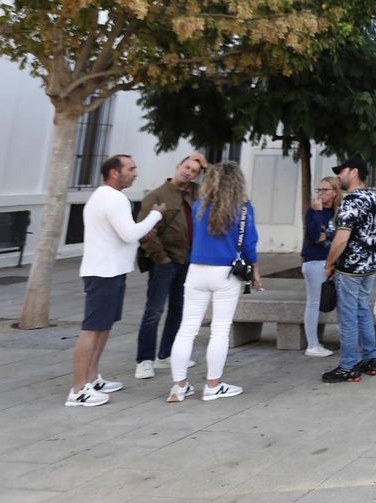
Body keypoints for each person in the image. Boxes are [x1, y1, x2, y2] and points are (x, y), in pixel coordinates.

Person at [67, 155, 162, 407]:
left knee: (103, 327)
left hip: (111, 271)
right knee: (91, 329)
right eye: (131, 169)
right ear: (114, 173)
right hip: (103, 273)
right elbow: (130, 233)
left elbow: (124, 234)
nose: (135, 173)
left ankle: (91, 378)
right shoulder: (114, 198)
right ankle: (78, 390)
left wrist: (142, 228)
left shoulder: (104, 197)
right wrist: (155, 215)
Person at [166, 161, 260, 402]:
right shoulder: (244, 209)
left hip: (196, 270)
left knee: (187, 329)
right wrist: (255, 271)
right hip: (226, 273)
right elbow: (249, 245)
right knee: (220, 330)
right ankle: (212, 385)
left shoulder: (199, 206)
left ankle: (179, 386)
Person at [133, 152, 206, 380]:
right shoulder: (157, 196)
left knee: (178, 309)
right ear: (177, 166)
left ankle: (166, 354)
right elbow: (144, 231)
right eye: (186, 167)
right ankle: (144, 360)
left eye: (194, 171)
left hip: (187, 260)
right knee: (154, 310)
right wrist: (161, 258)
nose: (188, 172)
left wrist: (207, 165)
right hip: (165, 261)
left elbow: (220, 184)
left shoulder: (196, 193)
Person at [323, 158, 376, 383]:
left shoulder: (350, 202)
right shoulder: (373, 198)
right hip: (368, 266)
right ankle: (370, 359)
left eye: (342, 171)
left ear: (354, 172)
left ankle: (348, 365)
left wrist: (329, 264)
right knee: (361, 311)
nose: (339, 175)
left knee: (348, 317)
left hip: (350, 268)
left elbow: (341, 239)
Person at [300, 176, 340, 357]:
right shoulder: (313, 212)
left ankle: (346, 339)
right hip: (315, 261)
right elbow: (315, 236)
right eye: (319, 190)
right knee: (314, 302)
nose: (321, 193)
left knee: (337, 301)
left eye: (325, 190)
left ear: (335, 192)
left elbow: (341, 238)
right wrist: (316, 213)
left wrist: (328, 236)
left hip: (334, 262)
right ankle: (312, 345)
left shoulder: (338, 213)